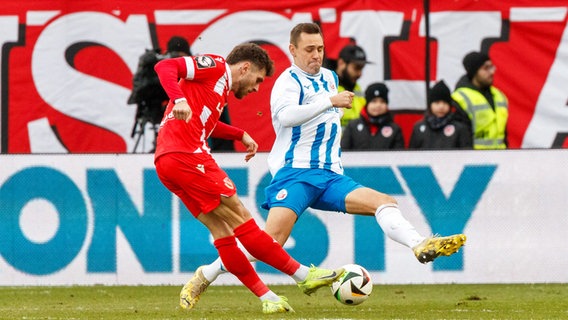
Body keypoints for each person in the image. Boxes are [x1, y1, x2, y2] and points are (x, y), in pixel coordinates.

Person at [182, 22, 467, 310]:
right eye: (309, 49)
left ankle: (420, 245)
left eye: (320, 48)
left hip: (330, 176)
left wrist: (329, 101)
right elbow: (288, 117)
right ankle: (206, 273)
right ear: (292, 50)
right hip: (296, 174)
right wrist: (329, 101)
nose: (316, 54)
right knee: (270, 242)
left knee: (384, 202)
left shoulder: (330, 77)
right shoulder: (288, 81)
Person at [153, 42, 343, 314]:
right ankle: (302, 275)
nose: (256, 88)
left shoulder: (217, 93)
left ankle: (268, 297)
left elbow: (205, 123)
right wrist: (179, 98)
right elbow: (165, 66)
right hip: (186, 155)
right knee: (242, 218)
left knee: (223, 231)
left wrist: (238, 134)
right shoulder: (217, 67)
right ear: (244, 68)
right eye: (257, 80)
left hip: (166, 162)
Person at [128, 36, 192, 152]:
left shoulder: (195, 77)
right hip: (155, 110)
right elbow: (138, 90)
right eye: (176, 58)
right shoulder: (160, 68)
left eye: (181, 59)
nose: (179, 64)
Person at [452, 51, 508, 149]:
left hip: (501, 158)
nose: (491, 72)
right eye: (486, 68)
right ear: (474, 71)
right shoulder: (460, 98)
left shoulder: (499, 95)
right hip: (475, 160)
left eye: (491, 67)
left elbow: (503, 134)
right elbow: (461, 137)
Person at [409, 80, 473, 149]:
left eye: (445, 103)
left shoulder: (460, 128)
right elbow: (412, 155)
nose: (441, 107)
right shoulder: (419, 128)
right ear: (430, 105)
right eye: (437, 102)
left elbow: (466, 155)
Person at [341, 82, 405, 150]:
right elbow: (343, 152)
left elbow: (399, 156)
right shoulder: (352, 126)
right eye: (374, 101)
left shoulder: (395, 129)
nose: (378, 105)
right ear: (367, 103)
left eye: (382, 101)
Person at [335, 44, 371, 128]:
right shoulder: (328, 87)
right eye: (356, 68)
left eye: (362, 68)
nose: (360, 74)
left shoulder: (357, 88)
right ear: (341, 63)